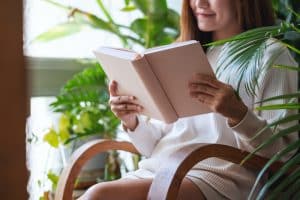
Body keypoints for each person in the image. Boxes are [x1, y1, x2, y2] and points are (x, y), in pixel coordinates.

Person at [79, 0, 298, 199]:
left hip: (220, 179)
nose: (199, 3)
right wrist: (131, 120)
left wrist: (238, 115)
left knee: (98, 195)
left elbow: (282, 155)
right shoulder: (182, 54)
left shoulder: (270, 54)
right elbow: (154, 145)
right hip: (163, 171)